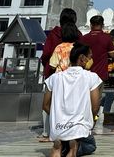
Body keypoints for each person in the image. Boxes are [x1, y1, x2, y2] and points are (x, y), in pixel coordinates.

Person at [43, 42, 100, 157]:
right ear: (82, 58)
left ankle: (60, 144)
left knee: (57, 148)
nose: (91, 60)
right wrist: (93, 120)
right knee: (83, 146)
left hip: (58, 125)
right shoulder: (91, 77)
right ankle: (72, 145)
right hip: (78, 125)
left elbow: (45, 105)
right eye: (90, 57)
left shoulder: (54, 78)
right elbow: (95, 106)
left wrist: (56, 117)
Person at [40, 8, 82, 142]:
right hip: (74, 77)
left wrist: (47, 67)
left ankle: (47, 132)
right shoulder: (78, 35)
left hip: (54, 76)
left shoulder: (54, 34)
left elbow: (46, 54)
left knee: (49, 102)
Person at [79, 15, 114, 133]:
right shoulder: (106, 38)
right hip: (99, 75)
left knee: (83, 101)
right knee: (96, 102)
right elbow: (112, 55)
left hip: (85, 74)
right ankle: (91, 125)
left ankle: (82, 124)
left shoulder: (84, 38)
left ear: (91, 25)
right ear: (103, 25)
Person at [102, 29, 114, 115]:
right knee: (111, 94)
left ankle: (98, 103)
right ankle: (106, 114)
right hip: (112, 71)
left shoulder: (108, 44)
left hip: (109, 70)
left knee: (109, 94)